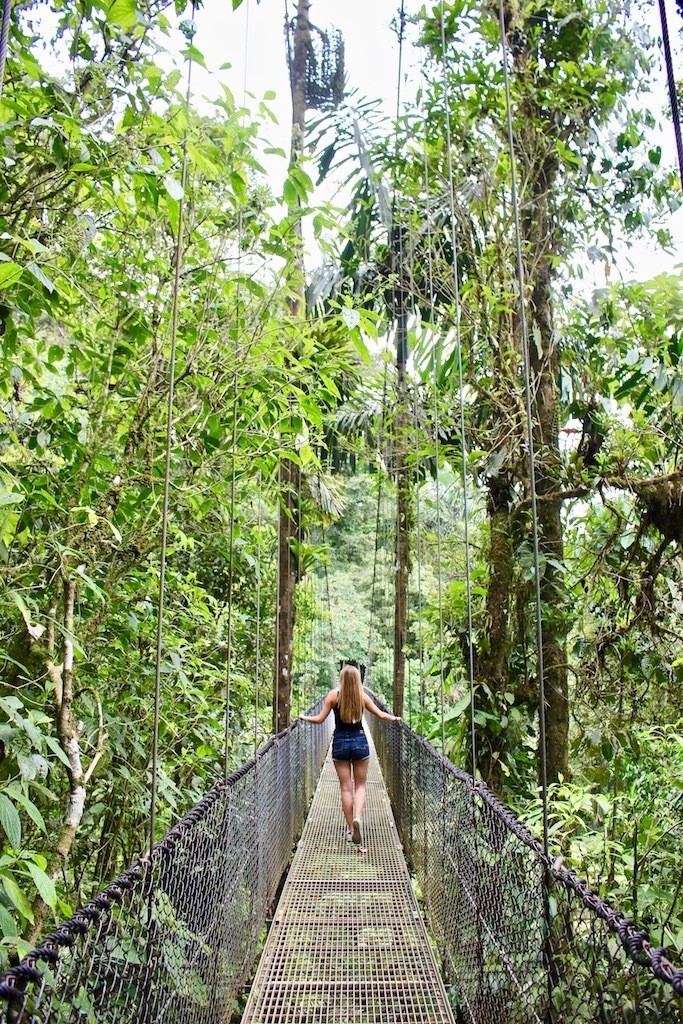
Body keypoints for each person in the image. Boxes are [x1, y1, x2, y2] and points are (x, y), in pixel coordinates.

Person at [300, 665, 398, 848]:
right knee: (360, 785)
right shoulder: (362, 696)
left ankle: (351, 830)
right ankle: (357, 818)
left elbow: (319, 719)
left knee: (346, 788)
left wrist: (304, 717)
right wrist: (394, 719)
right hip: (360, 742)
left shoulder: (333, 696)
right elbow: (380, 714)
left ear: (341, 679)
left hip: (340, 744)